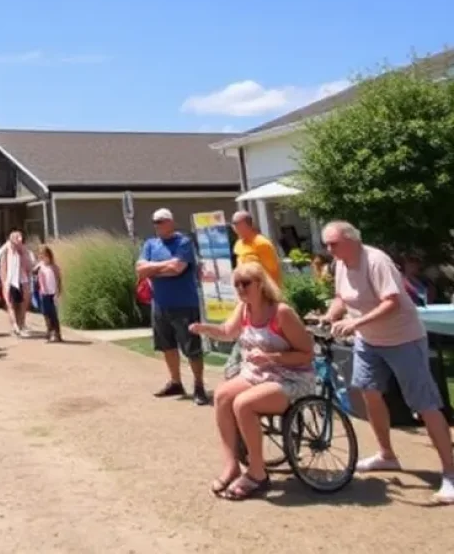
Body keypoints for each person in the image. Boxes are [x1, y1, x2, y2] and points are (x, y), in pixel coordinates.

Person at [316, 221, 454, 505]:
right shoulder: (340, 264)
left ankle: (450, 473)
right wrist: (330, 315)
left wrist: (356, 323)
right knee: (369, 392)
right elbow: (341, 297)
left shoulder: (376, 261)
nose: (329, 250)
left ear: (352, 240)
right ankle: (386, 455)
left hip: (404, 339)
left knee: (425, 404)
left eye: (333, 243)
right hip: (369, 341)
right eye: (326, 244)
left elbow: (392, 302)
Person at [190, 263, 315, 500]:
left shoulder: (281, 313)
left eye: (245, 283)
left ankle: (257, 472)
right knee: (222, 395)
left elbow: (307, 354)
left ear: (260, 284)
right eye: (236, 284)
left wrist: (271, 357)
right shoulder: (244, 308)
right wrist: (204, 328)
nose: (240, 288)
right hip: (258, 374)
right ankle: (231, 465)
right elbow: (227, 331)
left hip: (292, 377)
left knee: (244, 404)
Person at [136, 208, 209, 405]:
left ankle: (199, 385)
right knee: (167, 345)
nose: (157, 225)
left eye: (161, 221)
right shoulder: (150, 244)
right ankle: (176, 382)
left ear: (170, 222)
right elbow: (140, 269)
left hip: (184, 303)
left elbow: (177, 268)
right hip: (160, 304)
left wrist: (153, 269)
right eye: (155, 222)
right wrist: (164, 267)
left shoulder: (183, 242)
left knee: (191, 347)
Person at [231, 209, 282, 286]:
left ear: (246, 224)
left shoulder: (262, 243)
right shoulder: (238, 244)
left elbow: (273, 272)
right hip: (245, 288)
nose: (233, 227)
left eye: (235, 223)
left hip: (263, 289)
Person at [0, 231, 35, 337]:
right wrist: (4, 283)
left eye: (19, 238)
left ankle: (21, 324)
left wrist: (23, 254)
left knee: (22, 305)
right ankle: (15, 326)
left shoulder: (25, 251)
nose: (18, 240)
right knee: (11, 305)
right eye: (16, 238)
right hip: (10, 281)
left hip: (23, 281)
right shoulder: (6, 251)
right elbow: (3, 268)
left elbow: (30, 267)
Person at [37, 246, 63, 343]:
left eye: (45, 256)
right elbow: (35, 273)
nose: (43, 258)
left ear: (49, 256)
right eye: (41, 256)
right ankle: (49, 331)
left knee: (53, 313)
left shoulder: (54, 267)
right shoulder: (41, 267)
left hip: (52, 293)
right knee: (45, 313)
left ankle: (56, 333)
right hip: (44, 293)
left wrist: (58, 291)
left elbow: (58, 280)